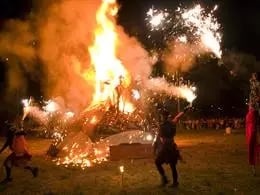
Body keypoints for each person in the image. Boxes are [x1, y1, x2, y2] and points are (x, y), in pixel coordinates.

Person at [154, 105, 191, 187]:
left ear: (163, 116)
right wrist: (184, 110)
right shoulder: (172, 122)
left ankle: (165, 179)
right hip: (172, 147)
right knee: (172, 166)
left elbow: (162, 139)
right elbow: (178, 117)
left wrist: (159, 147)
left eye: (161, 116)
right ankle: (174, 182)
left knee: (157, 162)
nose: (161, 117)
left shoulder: (162, 126)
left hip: (167, 148)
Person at [246, 72, 260, 175]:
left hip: (254, 114)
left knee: (253, 139)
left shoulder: (257, 85)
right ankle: (253, 164)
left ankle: (254, 163)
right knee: (251, 140)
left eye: (253, 75)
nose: (251, 77)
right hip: (251, 115)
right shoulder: (253, 85)